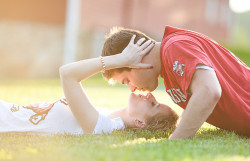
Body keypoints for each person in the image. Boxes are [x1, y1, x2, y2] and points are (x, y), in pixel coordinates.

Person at [101, 26, 250, 139]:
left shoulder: (174, 47)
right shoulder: (168, 66)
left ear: (136, 58)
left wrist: (176, 140)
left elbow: (209, 91)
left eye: (126, 80)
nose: (132, 88)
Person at [0, 38, 178, 135]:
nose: (151, 96)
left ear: (139, 123)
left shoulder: (103, 127)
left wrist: (120, 60)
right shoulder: (104, 113)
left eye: (154, 105)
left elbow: (68, 74)